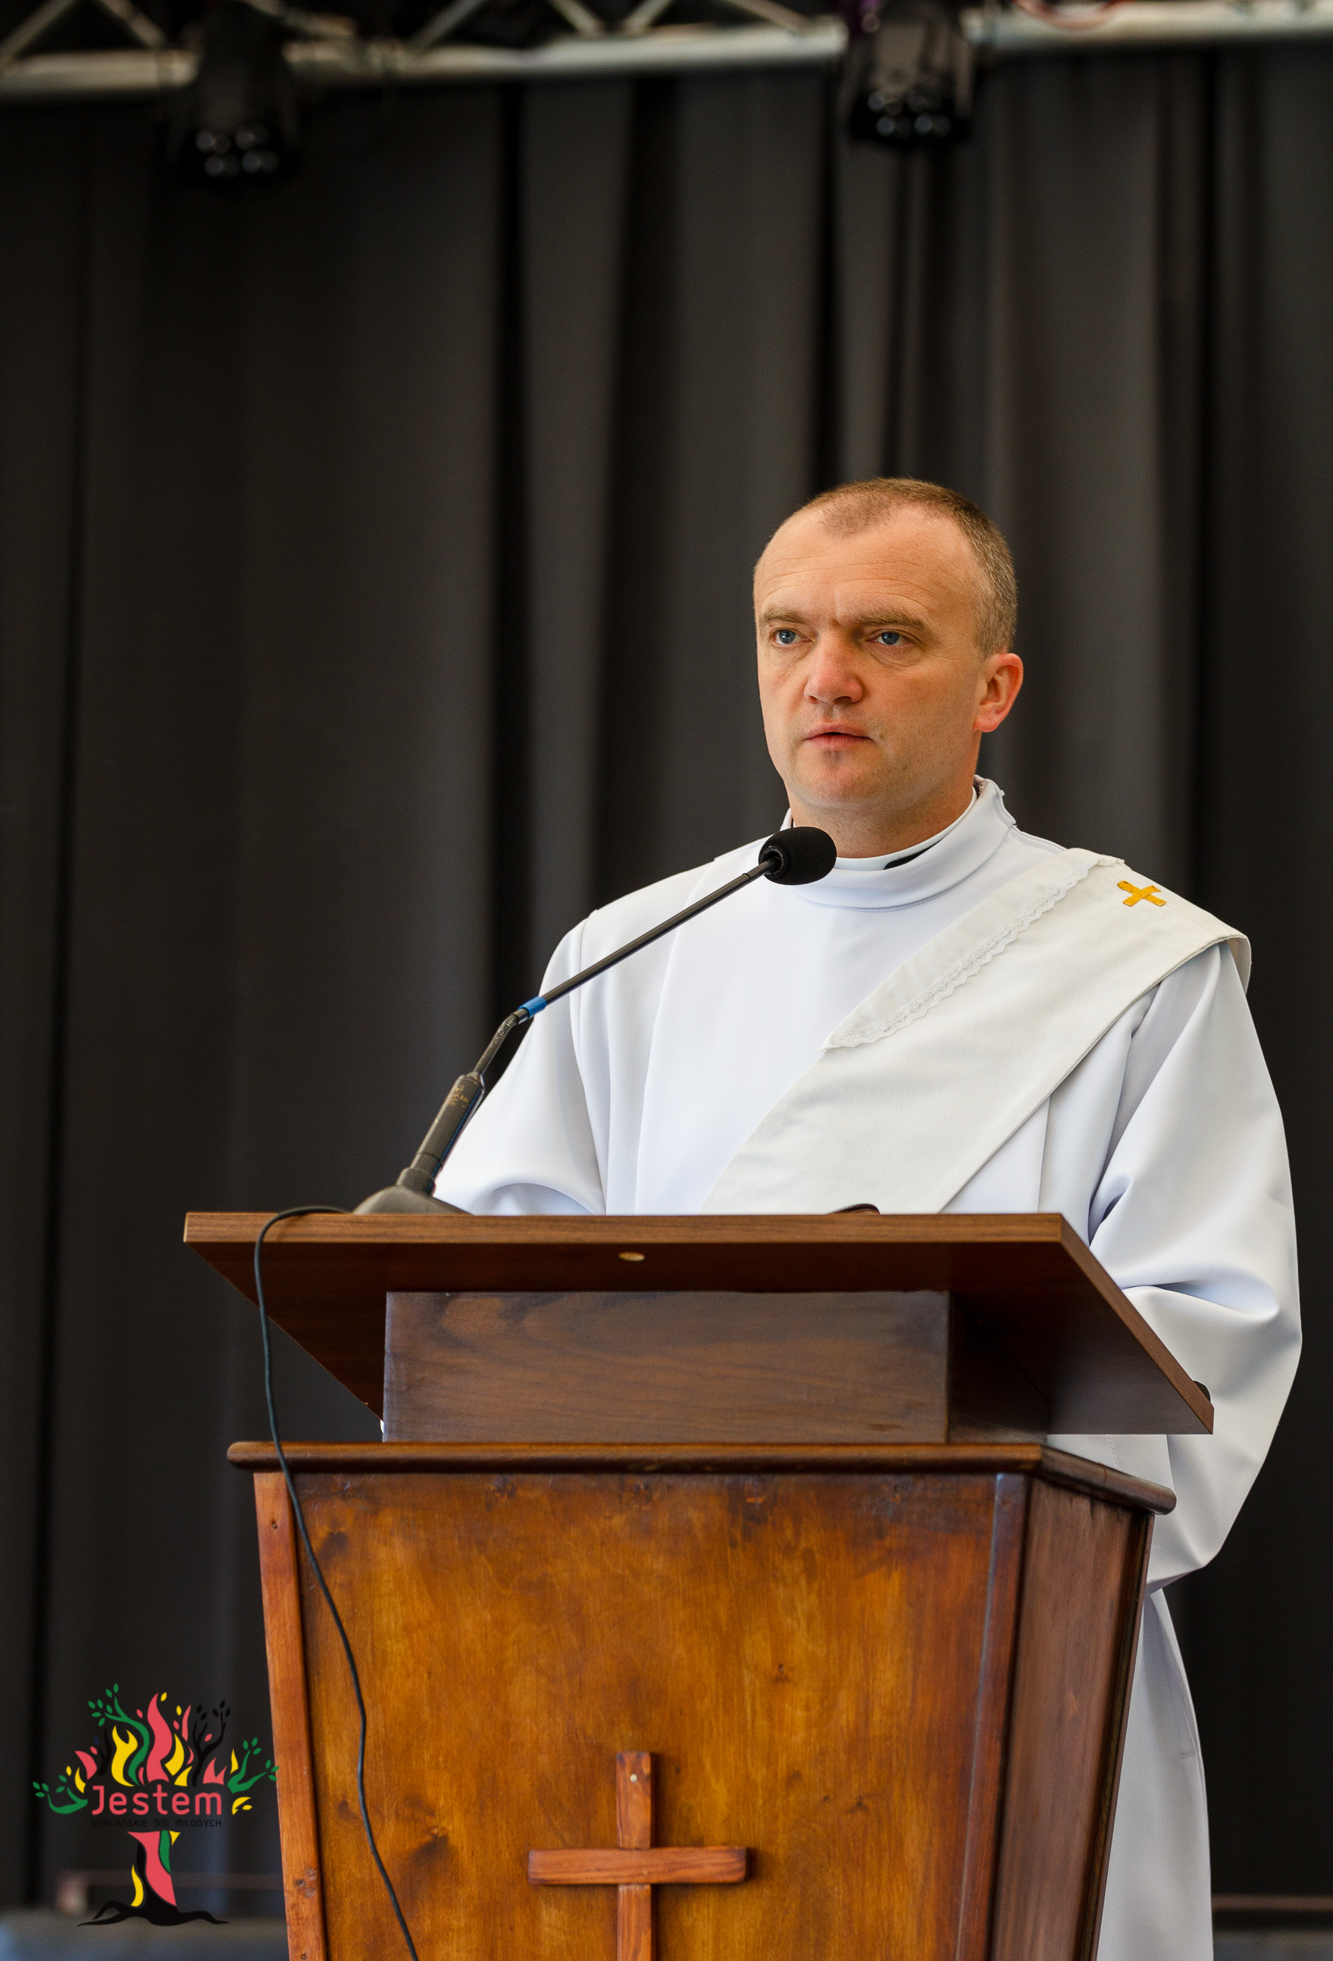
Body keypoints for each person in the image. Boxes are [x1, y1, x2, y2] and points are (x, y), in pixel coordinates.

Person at [438, 476, 1300, 1960]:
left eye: (886, 637)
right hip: (646, 1646)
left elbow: (1207, 1341)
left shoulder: (1135, 967)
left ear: (993, 689)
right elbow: (484, 1322)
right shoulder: (629, 956)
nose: (825, 677)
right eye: (789, 634)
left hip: (991, 1659)